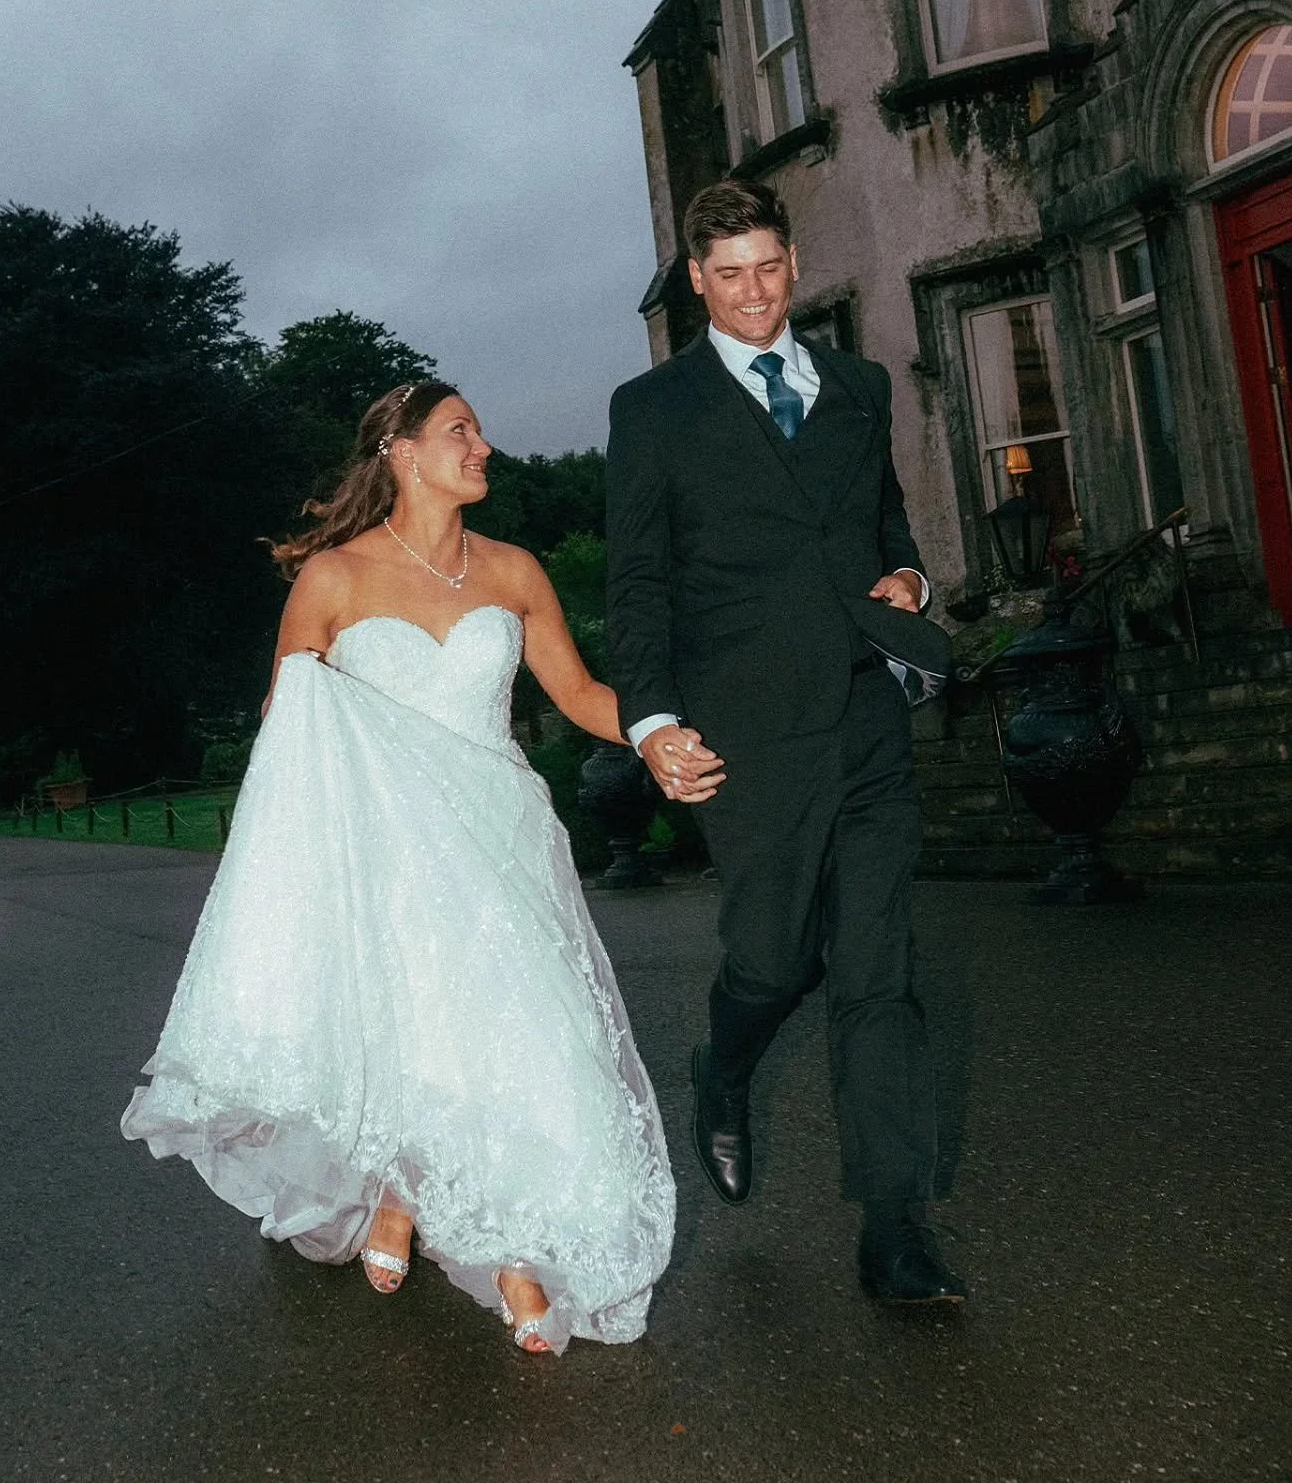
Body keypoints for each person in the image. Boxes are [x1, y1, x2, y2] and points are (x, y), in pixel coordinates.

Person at [122, 382, 678, 1355]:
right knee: (425, 1024)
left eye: (479, 430)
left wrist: (661, 728)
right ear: (403, 453)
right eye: (460, 431)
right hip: (387, 851)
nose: (485, 445)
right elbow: (285, 722)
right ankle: (431, 1205)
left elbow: (582, 691)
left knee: (532, 1033)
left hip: (501, 834)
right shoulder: (333, 579)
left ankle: (491, 1220)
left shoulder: (513, 570)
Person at [604, 178, 966, 1306]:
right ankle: (726, 1064)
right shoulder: (653, 409)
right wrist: (654, 724)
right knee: (772, 957)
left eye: (768, 267)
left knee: (878, 971)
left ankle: (895, 1229)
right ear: (695, 283)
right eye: (728, 275)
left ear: (793, 261)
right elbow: (640, 583)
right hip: (745, 735)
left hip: (863, 715)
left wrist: (909, 577)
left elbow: (890, 526)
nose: (754, 293)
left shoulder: (857, 388)